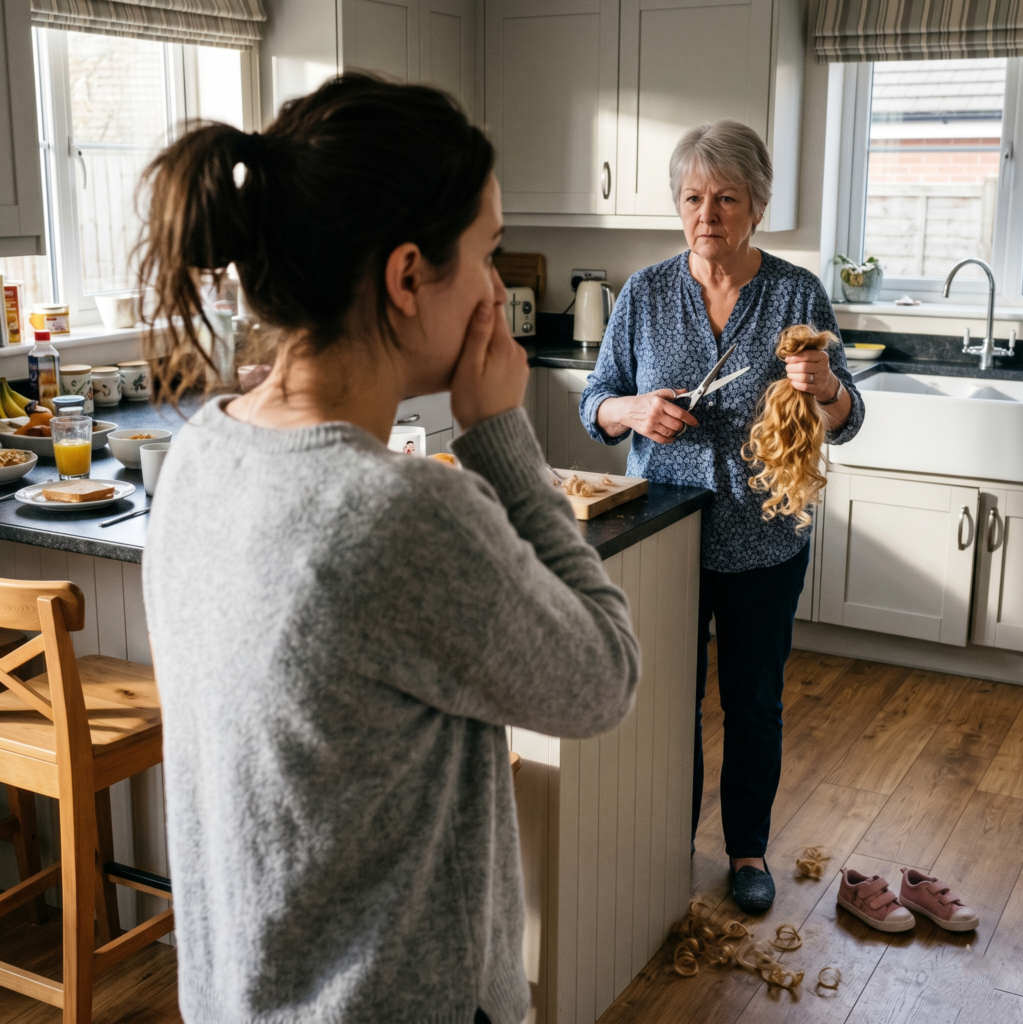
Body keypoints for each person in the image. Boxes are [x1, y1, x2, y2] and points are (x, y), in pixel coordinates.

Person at [140, 74, 640, 1024]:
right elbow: (605, 677)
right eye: (489, 255)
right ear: (409, 277)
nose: (500, 291)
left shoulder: (201, 450)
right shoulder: (398, 514)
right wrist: (499, 436)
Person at [580, 120, 865, 915]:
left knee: (752, 700)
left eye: (727, 198)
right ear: (679, 205)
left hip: (765, 538)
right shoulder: (643, 293)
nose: (709, 214)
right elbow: (592, 404)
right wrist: (632, 409)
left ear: (758, 204)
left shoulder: (796, 294)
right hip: (660, 540)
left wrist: (827, 389)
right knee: (665, 699)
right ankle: (664, 841)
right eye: (694, 197)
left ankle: (746, 850)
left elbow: (848, 416)